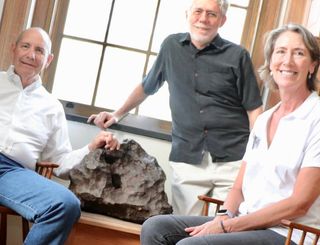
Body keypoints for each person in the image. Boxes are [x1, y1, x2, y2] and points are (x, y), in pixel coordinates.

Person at [140, 23, 320, 245]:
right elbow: (238, 187)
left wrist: (226, 226)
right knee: (156, 227)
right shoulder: (264, 120)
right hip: (245, 222)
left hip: (288, 233)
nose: (287, 61)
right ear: (271, 63)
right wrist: (224, 216)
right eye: (280, 51)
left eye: (299, 53)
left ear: (312, 65)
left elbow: (299, 204)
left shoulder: (316, 119)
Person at [88, 0, 263, 216]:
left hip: (233, 157)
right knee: (183, 225)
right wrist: (116, 114)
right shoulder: (171, 46)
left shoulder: (238, 56)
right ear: (187, 14)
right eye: (198, 11)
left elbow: (254, 108)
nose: (203, 19)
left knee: (222, 229)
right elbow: (147, 86)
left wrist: (258, 153)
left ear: (222, 21)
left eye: (212, 14)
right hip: (188, 157)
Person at [0, 27, 120, 245]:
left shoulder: (51, 107)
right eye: (25, 46)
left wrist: (91, 147)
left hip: (12, 173)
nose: (31, 55)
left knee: (66, 204)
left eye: (39, 50)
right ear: (13, 49)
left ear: (48, 60)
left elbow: (61, 163)